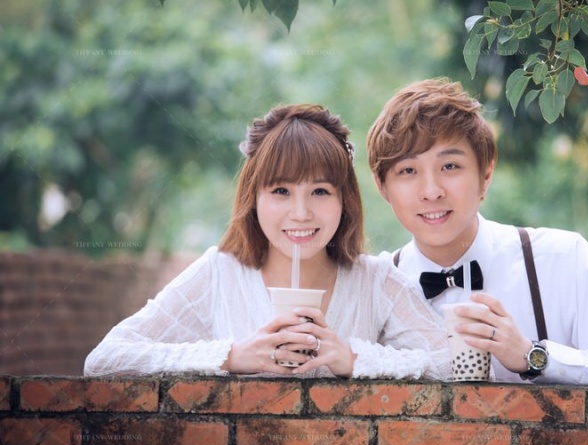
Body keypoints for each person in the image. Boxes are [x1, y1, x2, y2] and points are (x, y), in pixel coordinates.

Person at [84, 104, 450, 380]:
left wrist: (354, 358)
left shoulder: (374, 280)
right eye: (281, 191)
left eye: (320, 191)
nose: (301, 213)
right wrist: (231, 357)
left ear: (344, 200)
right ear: (254, 198)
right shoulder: (220, 274)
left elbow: (452, 363)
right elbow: (106, 359)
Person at [366, 78, 588, 388]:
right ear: (382, 186)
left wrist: (534, 356)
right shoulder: (373, 288)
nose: (432, 191)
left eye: (450, 166)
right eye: (408, 171)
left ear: (486, 174)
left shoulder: (561, 259)